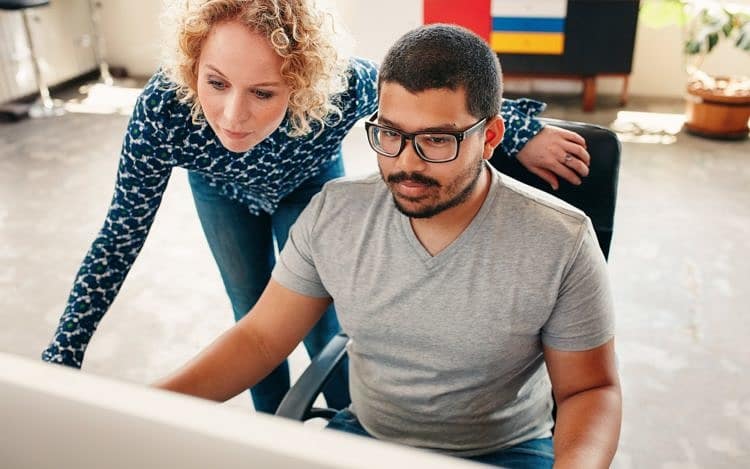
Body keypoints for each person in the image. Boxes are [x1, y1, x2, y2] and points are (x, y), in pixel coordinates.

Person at [42, 0, 592, 415]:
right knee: (251, 313)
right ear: (193, 68)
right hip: (223, 194)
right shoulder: (161, 109)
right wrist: (63, 356)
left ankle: (347, 423)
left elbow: (424, 97)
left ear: (302, 84)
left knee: (321, 321)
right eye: (216, 83)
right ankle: (268, 431)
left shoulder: (342, 86)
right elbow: (120, 235)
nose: (233, 115)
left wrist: (520, 131)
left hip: (307, 187)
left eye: (264, 92)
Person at [155, 23, 621, 468]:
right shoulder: (335, 215)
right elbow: (259, 340)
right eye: (391, 135)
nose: (406, 165)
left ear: (491, 138)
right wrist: (140, 405)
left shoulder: (562, 240)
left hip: (504, 451)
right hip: (369, 440)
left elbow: (590, 390)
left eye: (437, 140)